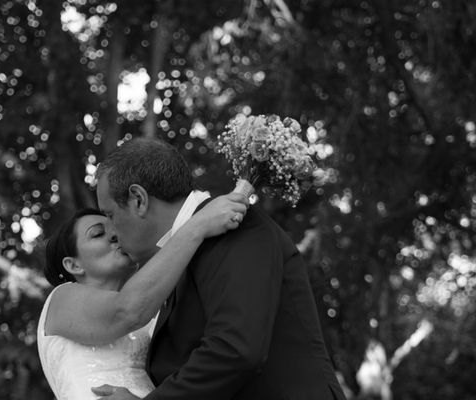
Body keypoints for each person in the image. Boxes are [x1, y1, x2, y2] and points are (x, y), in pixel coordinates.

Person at [92, 137, 347, 400]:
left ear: (138, 200)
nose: (111, 232)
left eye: (110, 215)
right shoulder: (183, 253)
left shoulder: (235, 226)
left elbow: (236, 348)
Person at [37, 193, 248, 399]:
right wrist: (197, 226)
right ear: (73, 265)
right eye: (98, 234)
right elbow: (126, 311)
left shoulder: (154, 312)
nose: (114, 235)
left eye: (115, 228)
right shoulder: (61, 298)